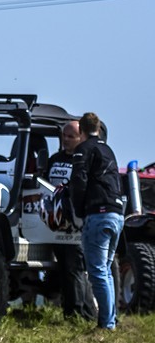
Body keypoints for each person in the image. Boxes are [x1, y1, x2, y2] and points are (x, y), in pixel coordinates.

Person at [68, 112, 124, 330]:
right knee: (106, 269)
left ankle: (107, 323)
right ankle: (110, 319)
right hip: (116, 214)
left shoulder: (83, 149)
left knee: (97, 271)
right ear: (99, 128)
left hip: (98, 215)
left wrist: (79, 210)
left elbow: (78, 182)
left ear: (81, 131)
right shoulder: (107, 149)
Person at [43, 120, 94, 319]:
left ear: (81, 137)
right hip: (56, 223)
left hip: (77, 224)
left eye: (71, 136)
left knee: (75, 268)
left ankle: (81, 313)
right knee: (63, 268)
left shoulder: (84, 159)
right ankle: (70, 311)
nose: (66, 140)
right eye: (64, 136)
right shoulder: (54, 159)